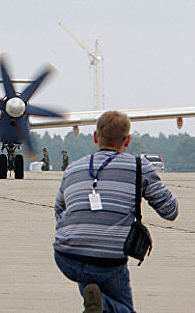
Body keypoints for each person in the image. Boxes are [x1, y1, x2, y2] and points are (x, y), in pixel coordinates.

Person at [53, 111, 178, 313]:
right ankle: (102, 304)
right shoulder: (139, 167)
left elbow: (59, 209)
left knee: (89, 279)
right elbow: (170, 211)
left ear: (95, 137)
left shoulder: (73, 168)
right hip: (108, 260)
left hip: (66, 256)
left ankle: (96, 301)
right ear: (127, 140)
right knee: (122, 308)